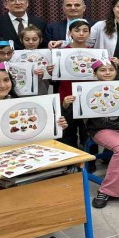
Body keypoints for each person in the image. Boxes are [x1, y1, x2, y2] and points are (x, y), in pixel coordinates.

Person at [63, 60, 119, 208]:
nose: (107, 72)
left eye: (111, 69)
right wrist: (66, 105)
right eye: (102, 70)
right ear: (94, 73)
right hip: (100, 129)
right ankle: (107, 190)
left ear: (116, 72)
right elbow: (71, 118)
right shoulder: (84, 90)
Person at [47, 19, 91, 148]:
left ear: (89, 34)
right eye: (77, 30)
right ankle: (71, 157)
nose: (81, 33)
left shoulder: (95, 52)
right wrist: (50, 71)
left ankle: (90, 157)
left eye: (85, 31)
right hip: (66, 95)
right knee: (68, 131)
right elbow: (54, 77)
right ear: (69, 33)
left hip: (87, 96)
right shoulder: (60, 53)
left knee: (87, 131)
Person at [19, 25, 50, 96]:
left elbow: (50, 75)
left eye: (34, 39)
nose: (31, 42)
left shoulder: (46, 54)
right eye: (27, 39)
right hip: (22, 88)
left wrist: (49, 71)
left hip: (42, 87)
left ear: (40, 40)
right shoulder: (16, 56)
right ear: (21, 40)